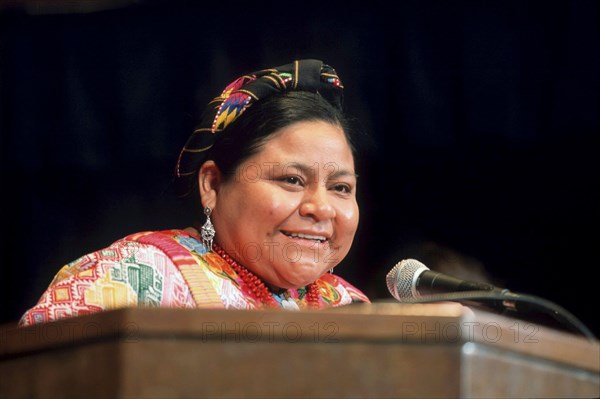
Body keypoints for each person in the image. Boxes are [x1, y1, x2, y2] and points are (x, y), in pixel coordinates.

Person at [19, 59, 370, 326]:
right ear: (212, 184)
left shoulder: (352, 307)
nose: (321, 208)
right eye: (292, 180)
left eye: (341, 187)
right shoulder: (130, 277)